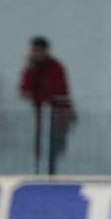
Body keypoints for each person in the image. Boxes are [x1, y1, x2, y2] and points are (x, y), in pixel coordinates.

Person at [19, 36, 74, 175]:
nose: (34, 54)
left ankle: (49, 178)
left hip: (57, 118)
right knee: (40, 151)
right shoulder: (31, 68)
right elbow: (25, 90)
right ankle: (40, 176)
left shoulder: (55, 67)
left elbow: (56, 92)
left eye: (36, 50)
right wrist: (31, 70)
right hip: (40, 119)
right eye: (32, 50)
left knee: (52, 151)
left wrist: (38, 96)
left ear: (44, 51)